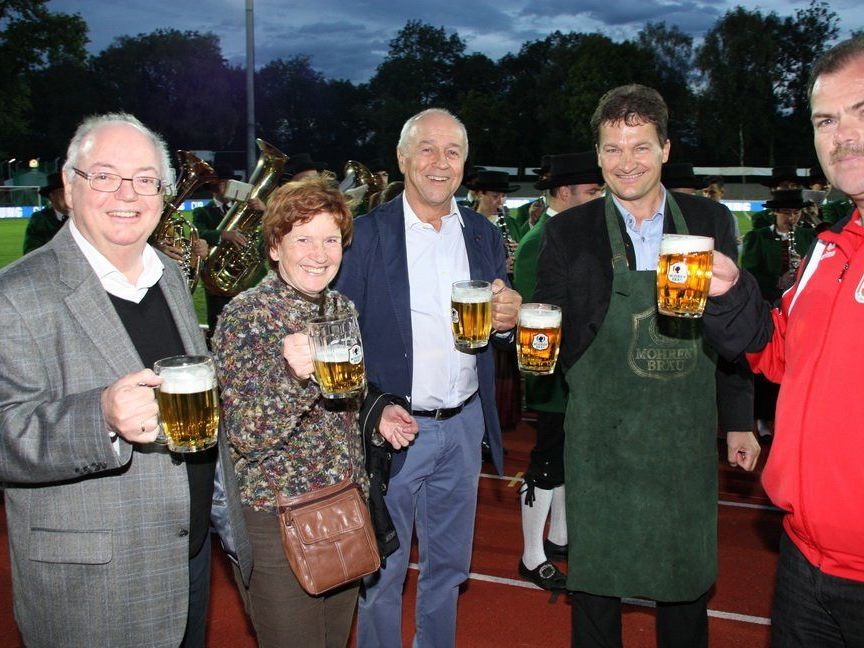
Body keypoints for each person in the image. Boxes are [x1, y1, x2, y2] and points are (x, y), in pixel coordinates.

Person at [0, 112, 251, 647]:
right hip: (96, 583)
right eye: (106, 175)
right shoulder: (15, 296)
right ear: (70, 185)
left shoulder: (171, 276)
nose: (127, 193)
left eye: (144, 179)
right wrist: (101, 416)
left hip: (189, 557)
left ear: (161, 194)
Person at [534, 84, 759, 647]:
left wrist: (738, 418)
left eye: (639, 147)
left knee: (682, 586)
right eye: (612, 149)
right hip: (600, 443)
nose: (625, 162)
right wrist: (523, 331)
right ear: (598, 154)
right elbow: (548, 345)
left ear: (664, 149)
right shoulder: (567, 232)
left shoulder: (710, 220)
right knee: (594, 590)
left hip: (680, 442)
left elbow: (732, 334)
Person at [335, 107, 522, 647]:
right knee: (382, 572)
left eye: (453, 152)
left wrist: (508, 319)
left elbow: (497, 320)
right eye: (427, 149)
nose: (440, 163)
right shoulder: (365, 237)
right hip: (392, 429)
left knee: (449, 570)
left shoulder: (484, 234)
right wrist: (369, 410)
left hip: (463, 427)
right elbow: (340, 338)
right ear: (401, 158)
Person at [705, 36, 864, 647]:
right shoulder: (832, 248)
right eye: (828, 119)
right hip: (803, 560)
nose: (843, 134)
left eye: (860, 111)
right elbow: (779, 353)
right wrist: (732, 293)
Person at [213, 177, 417, 647]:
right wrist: (293, 376)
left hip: (342, 501)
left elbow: (345, 388)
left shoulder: (338, 305)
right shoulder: (248, 314)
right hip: (278, 517)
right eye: (302, 239)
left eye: (330, 240)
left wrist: (375, 410)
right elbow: (247, 433)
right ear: (274, 248)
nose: (319, 253)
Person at [511, 150, 604, 591]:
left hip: (574, 371)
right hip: (554, 373)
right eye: (592, 190)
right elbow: (541, 317)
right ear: (564, 192)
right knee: (547, 460)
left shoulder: (563, 233)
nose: (599, 198)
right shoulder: (541, 240)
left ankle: (561, 536)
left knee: (566, 457)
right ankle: (532, 555)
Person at [741, 188, 816, 440]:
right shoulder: (758, 237)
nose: (791, 218)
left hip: (801, 312)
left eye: (796, 212)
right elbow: (749, 274)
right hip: (770, 308)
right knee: (769, 363)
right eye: (786, 212)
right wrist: (777, 280)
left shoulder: (810, 236)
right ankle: (763, 419)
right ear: (775, 213)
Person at [191, 165, 247, 334]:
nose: (229, 187)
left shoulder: (241, 209)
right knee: (219, 321)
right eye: (224, 183)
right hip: (216, 275)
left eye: (230, 183)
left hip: (240, 274)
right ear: (214, 187)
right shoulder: (202, 211)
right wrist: (223, 234)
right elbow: (198, 232)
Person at [22, 171, 69, 254]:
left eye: (69, 192)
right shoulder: (40, 220)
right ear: (52, 196)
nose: (67, 196)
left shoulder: (82, 217)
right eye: (62, 192)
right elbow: (31, 253)